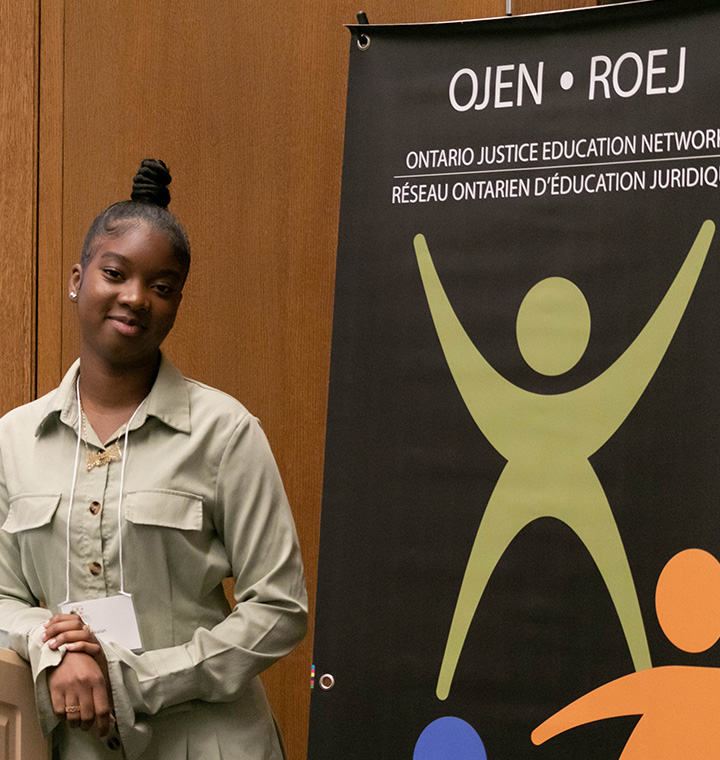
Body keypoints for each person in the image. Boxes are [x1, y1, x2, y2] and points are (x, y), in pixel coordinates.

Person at [0, 159, 308, 759]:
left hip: (209, 742)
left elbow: (280, 608)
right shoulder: (14, 439)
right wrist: (51, 646)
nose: (135, 298)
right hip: (75, 747)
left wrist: (137, 679)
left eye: (162, 288)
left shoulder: (225, 433)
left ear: (177, 304)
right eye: (115, 273)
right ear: (77, 279)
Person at [413, 223, 715, 700]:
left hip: (561, 478)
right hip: (553, 478)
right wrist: (425, 265)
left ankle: (447, 679)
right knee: (490, 585)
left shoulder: (517, 408)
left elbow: (655, 338)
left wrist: (426, 261)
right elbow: (651, 341)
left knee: (613, 586)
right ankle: (447, 678)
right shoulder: (581, 408)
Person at [531, 548, 720, 758]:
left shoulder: (671, 681)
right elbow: (609, 700)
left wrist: (546, 731)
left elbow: (606, 701)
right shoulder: (676, 681)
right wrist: (547, 730)